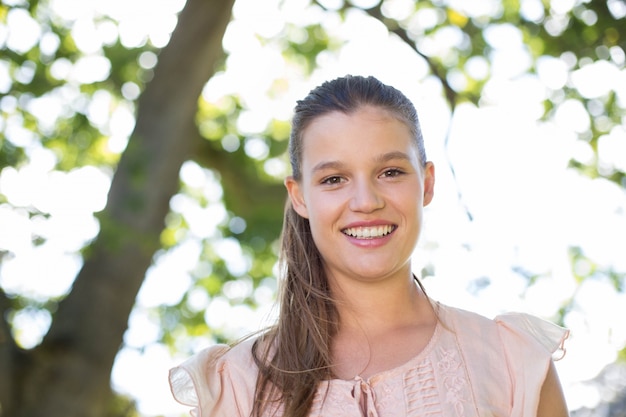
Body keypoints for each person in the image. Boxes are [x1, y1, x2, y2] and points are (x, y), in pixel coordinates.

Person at [169, 75, 569, 417]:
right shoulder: (236, 384)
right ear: (300, 196)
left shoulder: (512, 362)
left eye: (390, 172)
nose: (365, 201)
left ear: (426, 183)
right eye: (333, 179)